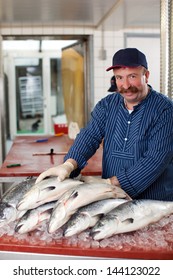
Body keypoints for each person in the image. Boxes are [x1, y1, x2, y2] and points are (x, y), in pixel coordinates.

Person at [36, 48, 173, 201]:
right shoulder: (107, 105)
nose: (125, 85)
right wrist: (69, 164)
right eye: (119, 78)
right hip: (112, 198)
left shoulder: (165, 110)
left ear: (146, 75)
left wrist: (110, 183)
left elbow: (155, 160)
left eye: (132, 76)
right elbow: (90, 136)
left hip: (154, 202)